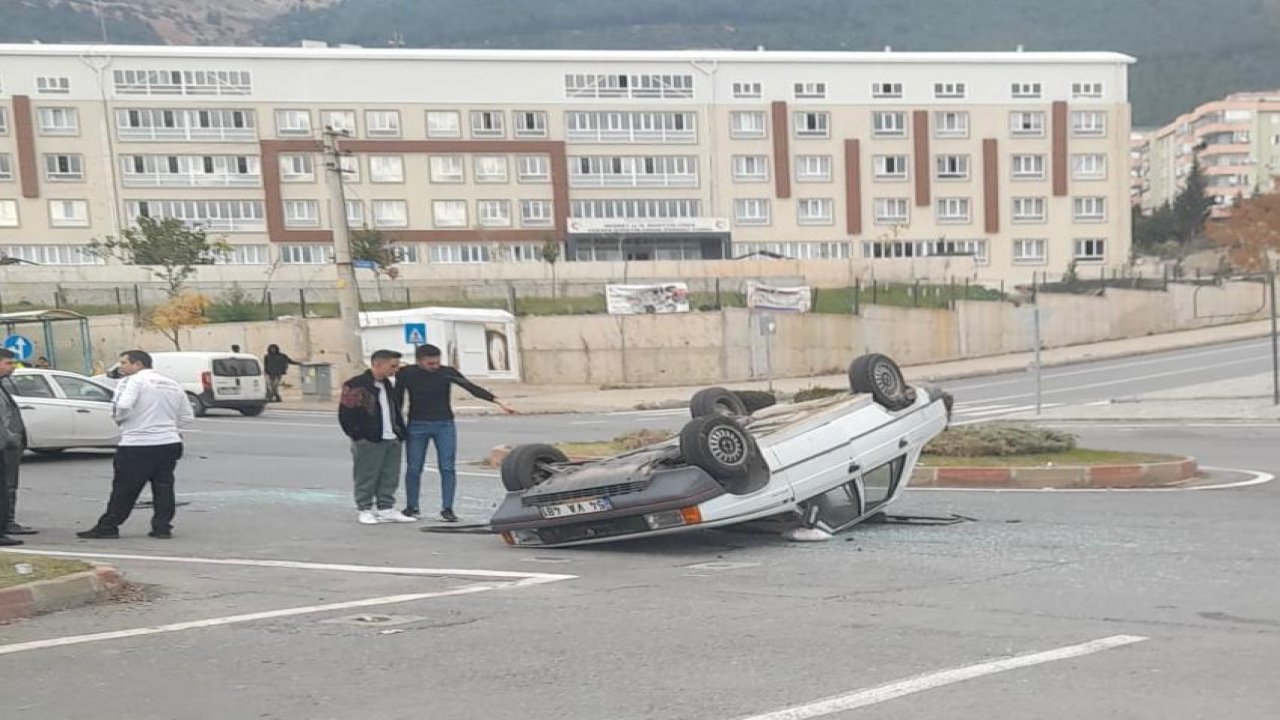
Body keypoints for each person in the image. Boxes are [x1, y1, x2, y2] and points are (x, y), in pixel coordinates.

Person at [77, 350, 195, 540]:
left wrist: (120, 421)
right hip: (169, 442)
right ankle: (162, 527)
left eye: (124, 363)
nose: (121, 367)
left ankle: (109, 525)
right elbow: (187, 417)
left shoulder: (133, 381)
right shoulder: (172, 384)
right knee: (163, 486)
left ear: (138, 364)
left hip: (137, 443)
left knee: (125, 487)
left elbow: (122, 406)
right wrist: (167, 428)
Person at [397, 344, 514, 522]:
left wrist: (498, 401)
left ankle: (447, 508)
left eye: (437, 362)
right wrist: (396, 425)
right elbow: (397, 398)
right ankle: (412, 506)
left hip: (444, 424)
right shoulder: (406, 373)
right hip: (417, 424)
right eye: (430, 363)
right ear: (419, 361)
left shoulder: (447, 372)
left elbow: (471, 388)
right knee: (414, 468)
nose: (435, 366)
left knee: (447, 467)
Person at [338, 350, 416, 525]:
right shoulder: (356, 384)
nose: (395, 370)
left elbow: (394, 409)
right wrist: (358, 435)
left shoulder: (388, 384)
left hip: (391, 436)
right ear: (378, 364)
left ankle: (386, 508)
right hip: (369, 439)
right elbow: (346, 414)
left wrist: (399, 433)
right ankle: (364, 508)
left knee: (389, 474)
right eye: (392, 366)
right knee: (366, 474)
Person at [0, 349, 27, 546]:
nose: (13, 368)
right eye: (8, 363)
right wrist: (10, 438)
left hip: (7, 445)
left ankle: (6, 524)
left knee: (7, 486)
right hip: (4, 444)